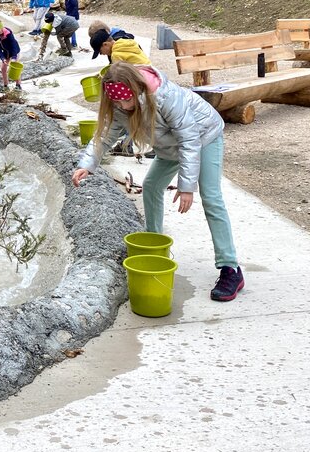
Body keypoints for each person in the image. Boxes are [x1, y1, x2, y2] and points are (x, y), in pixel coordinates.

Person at [72, 62, 244, 302]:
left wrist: (186, 187)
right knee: (152, 186)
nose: (121, 107)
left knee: (211, 197)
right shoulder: (120, 102)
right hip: (170, 146)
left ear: (137, 90)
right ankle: (153, 244)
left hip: (203, 137)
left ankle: (230, 268)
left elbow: (189, 139)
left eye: (125, 101)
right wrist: (86, 165)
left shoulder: (166, 96)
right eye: (117, 103)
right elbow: (105, 135)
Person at [0, 21, 22, 90]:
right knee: (3, 69)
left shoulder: (8, 33)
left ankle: (18, 85)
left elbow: (13, 45)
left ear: (2, 28)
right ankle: (5, 85)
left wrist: (14, 57)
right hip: (6, 52)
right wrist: (2, 58)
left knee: (15, 68)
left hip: (14, 51)